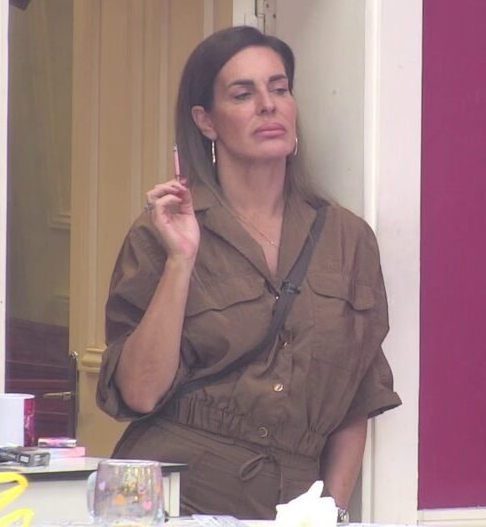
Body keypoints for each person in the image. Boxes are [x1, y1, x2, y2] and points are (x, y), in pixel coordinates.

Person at [96, 26, 401, 520]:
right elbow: (140, 391)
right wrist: (181, 261)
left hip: (294, 502)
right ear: (206, 121)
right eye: (243, 94)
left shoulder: (347, 238)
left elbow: (356, 400)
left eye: (279, 89)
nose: (268, 105)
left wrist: (331, 511)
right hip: (176, 494)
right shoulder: (163, 232)